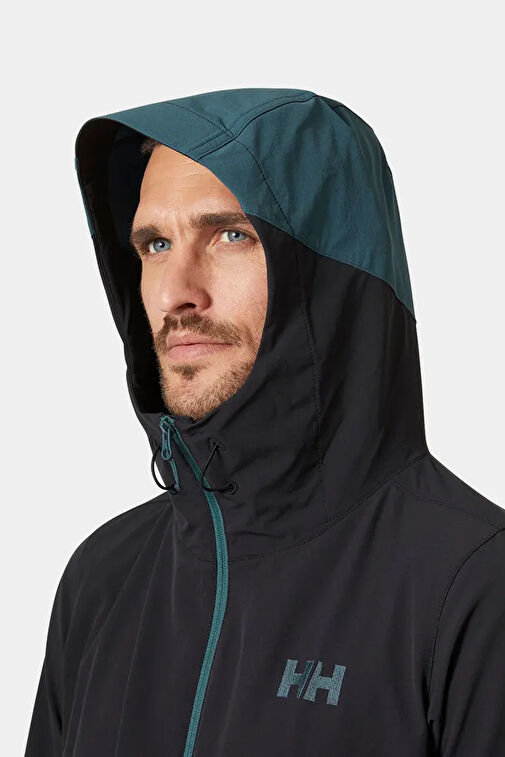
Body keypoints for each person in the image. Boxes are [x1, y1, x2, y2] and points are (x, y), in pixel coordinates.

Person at [24, 88, 505, 756]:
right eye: (156, 244)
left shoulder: (474, 583)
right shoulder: (103, 577)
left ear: (331, 276)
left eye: (230, 235)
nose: (176, 292)